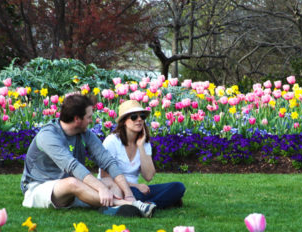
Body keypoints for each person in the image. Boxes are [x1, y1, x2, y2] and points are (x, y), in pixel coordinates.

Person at [21, 93, 155, 217]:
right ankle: (131, 205)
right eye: (89, 117)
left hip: (71, 188)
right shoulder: (48, 136)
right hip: (37, 188)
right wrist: (101, 188)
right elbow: (72, 166)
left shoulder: (85, 134)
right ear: (77, 119)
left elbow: (107, 161)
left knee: (110, 182)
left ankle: (113, 208)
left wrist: (129, 193)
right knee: (72, 182)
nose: (92, 120)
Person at [99, 100, 186, 209]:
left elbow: (148, 176)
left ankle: (146, 205)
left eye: (142, 116)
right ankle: (151, 203)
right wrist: (136, 186)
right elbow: (105, 177)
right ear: (124, 121)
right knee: (138, 194)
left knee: (178, 187)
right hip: (116, 188)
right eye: (134, 116)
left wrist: (140, 146)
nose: (139, 119)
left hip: (138, 190)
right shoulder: (112, 141)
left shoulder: (144, 142)